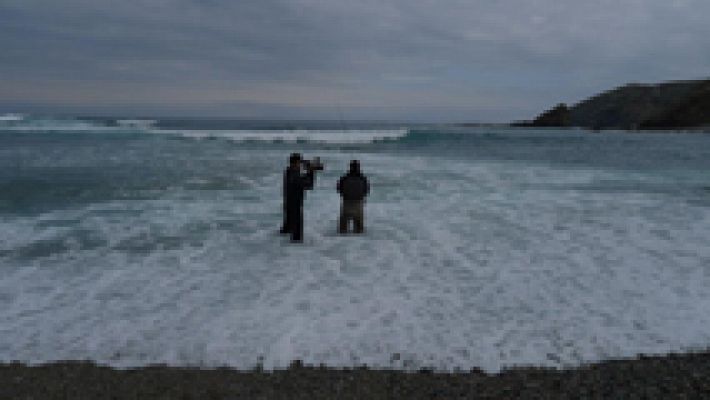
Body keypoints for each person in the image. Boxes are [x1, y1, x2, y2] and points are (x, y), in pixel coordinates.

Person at [280, 153, 316, 242]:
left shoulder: (289, 172)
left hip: (289, 204)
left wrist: (309, 171)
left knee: (287, 230)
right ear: (295, 163)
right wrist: (310, 171)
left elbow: (302, 181)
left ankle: (282, 250)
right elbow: (308, 185)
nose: (300, 166)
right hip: (295, 206)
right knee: (297, 237)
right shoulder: (294, 175)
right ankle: (292, 253)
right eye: (299, 163)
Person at [337, 160, 369, 234]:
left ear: (350, 168)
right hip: (358, 203)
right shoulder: (363, 178)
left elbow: (339, 189)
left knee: (342, 229)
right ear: (358, 168)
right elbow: (366, 190)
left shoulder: (344, 178)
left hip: (347, 203)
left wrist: (344, 195)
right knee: (359, 230)